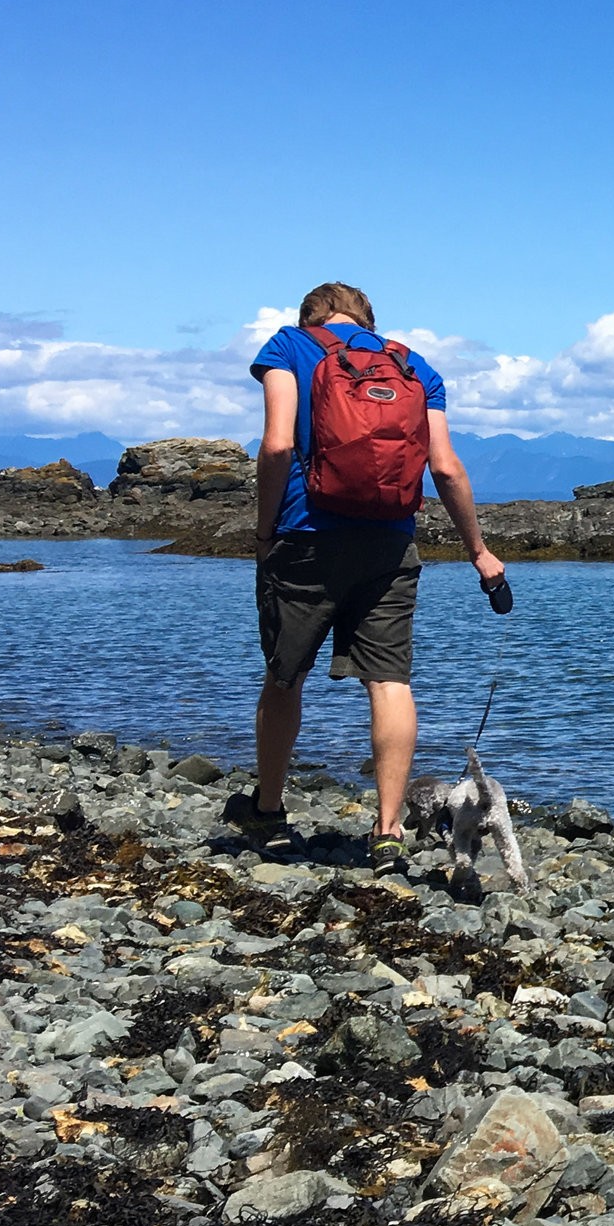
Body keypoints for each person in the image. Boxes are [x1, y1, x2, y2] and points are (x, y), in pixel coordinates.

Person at [227, 281, 506, 873]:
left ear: (311, 317)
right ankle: (386, 832)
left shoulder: (290, 347)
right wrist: (479, 552)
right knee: (388, 681)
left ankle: (270, 816)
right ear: (369, 320)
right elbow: (446, 467)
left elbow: (277, 446)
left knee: (285, 678)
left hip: (305, 536)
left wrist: (263, 533)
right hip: (389, 542)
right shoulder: (415, 366)